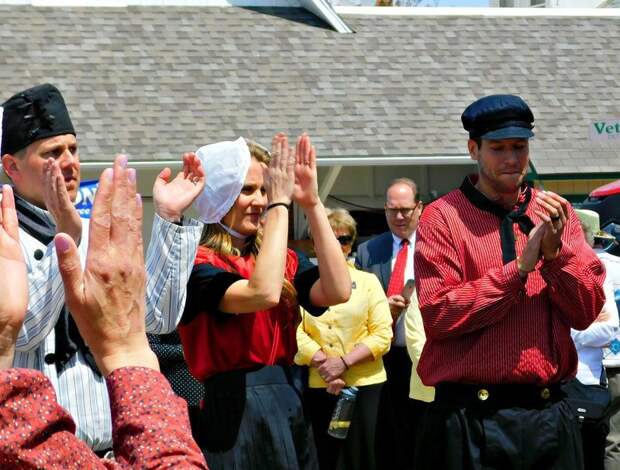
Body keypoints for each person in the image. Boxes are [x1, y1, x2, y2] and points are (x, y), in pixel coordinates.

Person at [0, 83, 205, 453]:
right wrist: (66, 237)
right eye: (52, 152)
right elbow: (22, 330)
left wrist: (169, 219)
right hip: (45, 455)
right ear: (12, 167)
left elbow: (156, 319)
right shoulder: (4, 236)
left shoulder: (89, 230)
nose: (69, 162)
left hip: (114, 449)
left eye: (72, 149)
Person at [413, 94, 606, 469]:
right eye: (497, 148)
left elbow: (585, 313)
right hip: (471, 419)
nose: (511, 159)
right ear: (474, 149)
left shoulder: (555, 212)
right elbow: (439, 315)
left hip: (550, 414)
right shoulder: (442, 218)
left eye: (519, 146)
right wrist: (517, 271)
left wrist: (556, 257)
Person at [178, 133, 351, 470]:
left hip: (287, 394)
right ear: (220, 193)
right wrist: (279, 207)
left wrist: (313, 204)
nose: (260, 200)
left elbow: (339, 290)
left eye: (264, 189)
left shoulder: (280, 259)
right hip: (228, 405)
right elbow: (263, 293)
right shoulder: (197, 263)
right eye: (247, 190)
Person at [295, 207, 392, 470]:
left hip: (365, 385)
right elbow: (294, 331)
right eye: (330, 238)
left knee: (365, 457)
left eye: (345, 239)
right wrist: (325, 364)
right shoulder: (302, 283)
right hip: (320, 382)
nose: (338, 245)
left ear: (352, 244)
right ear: (316, 242)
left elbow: (383, 334)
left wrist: (344, 363)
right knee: (326, 458)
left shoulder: (369, 282)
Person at [354, 177, 424, 469]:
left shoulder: (435, 247)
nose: (399, 216)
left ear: (419, 208)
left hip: (424, 358)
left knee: (422, 436)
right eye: (392, 209)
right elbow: (356, 307)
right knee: (385, 440)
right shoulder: (369, 251)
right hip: (383, 359)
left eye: (405, 209)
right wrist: (384, 308)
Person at [565, 209, 620, 470]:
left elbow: (609, 327)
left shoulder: (598, 271)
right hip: (584, 375)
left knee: (600, 447)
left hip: (592, 379)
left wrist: (566, 332)